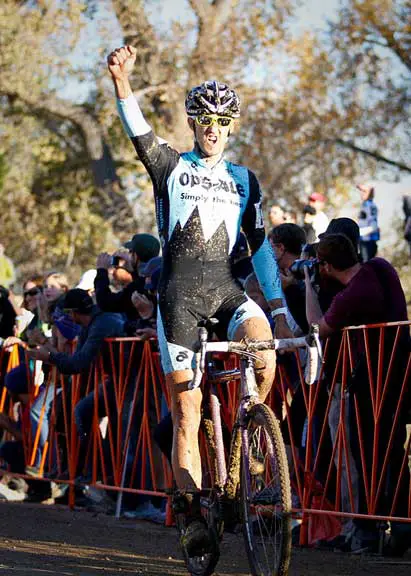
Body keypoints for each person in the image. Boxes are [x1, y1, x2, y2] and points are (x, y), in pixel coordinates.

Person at [108, 45, 291, 560]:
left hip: (228, 289)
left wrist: (276, 306)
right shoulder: (170, 165)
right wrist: (123, 82)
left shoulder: (245, 179)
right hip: (179, 299)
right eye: (205, 118)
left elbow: (257, 250)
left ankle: (250, 432)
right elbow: (138, 131)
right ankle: (190, 516)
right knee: (186, 413)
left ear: (232, 128)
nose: (213, 127)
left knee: (265, 350)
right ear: (194, 123)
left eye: (222, 120)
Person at [305, 233, 410, 555]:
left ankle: (380, 529)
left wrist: (310, 285)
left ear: (325, 265)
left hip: (373, 380)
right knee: (391, 453)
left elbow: (316, 327)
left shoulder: (352, 296)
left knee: (371, 454)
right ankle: (395, 530)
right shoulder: (380, 268)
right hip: (399, 372)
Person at [356, 183, 379, 261]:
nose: (362, 193)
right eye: (361, 191)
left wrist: (358, 232)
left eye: (364, 191)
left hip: (368, 242)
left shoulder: (370, 206)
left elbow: (374, 226)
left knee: (366, 267)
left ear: (371, 193)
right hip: (363, 241)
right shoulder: (365, 204)